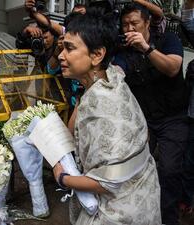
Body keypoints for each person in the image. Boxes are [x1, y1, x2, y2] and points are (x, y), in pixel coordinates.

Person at [53, 11, 161, 225]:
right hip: (142, 197)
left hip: (119, 213)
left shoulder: (103, 103)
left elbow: (107, 181)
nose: (60, 56)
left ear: (97, 55)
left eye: (70, 48)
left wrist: (62, 177)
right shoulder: (111, 77)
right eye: (62, 47)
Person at [113, 3, 189, 225]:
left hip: (174, 118)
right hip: (144, 119)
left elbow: (173, 68)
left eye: (134, 23)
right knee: (135, 167)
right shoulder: (123, 50)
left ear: (147, 23)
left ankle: (169, 219)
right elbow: (117, 72)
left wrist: (146, 48)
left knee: (169, 169)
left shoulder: (168, 40)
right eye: (125, 25)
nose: (129, 29)